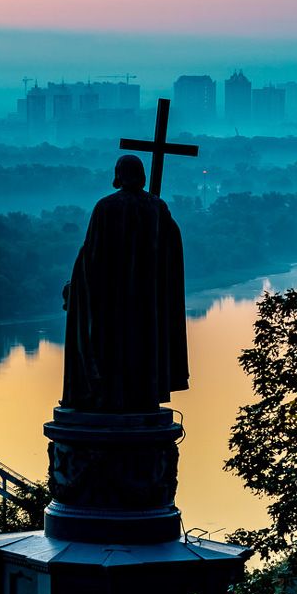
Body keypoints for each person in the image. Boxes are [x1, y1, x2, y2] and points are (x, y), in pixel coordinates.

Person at [61, 155, 188, 413]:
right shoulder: (157, 207)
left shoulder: (106, 207)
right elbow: (172, 249)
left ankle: (108, 395)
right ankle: (142, 393)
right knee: (141, 343)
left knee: (111, 344)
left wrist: (76, 289)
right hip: (147, 300)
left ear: (118, 175)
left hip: (113, 301)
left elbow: (92, 258)